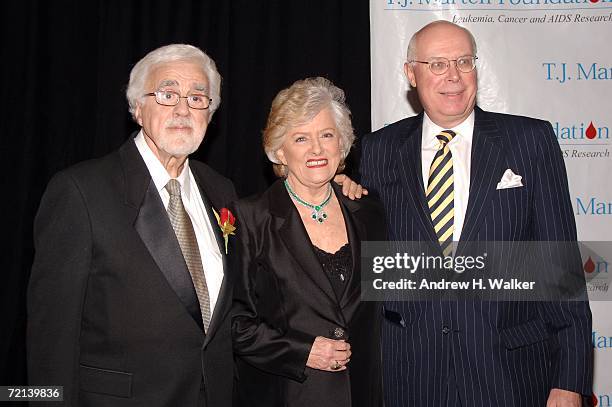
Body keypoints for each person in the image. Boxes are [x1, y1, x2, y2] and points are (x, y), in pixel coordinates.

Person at [27, 45, 363, 407]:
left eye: (198, 98)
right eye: (168, 94)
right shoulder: (81, 191)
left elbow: (235, 307)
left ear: (210, 113)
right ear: (138, 107)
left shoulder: (220, 191)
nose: (183, 108)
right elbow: (50, 340)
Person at [360, 21, 592, 407]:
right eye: (436, 64)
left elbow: (562, 268)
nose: (452, 76)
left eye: (463, 61)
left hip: (511, 375)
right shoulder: (379, 150)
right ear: (410, 73)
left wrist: (570, 380)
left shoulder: (529, 141)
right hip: (412, 375)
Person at [231, 77, 385, 407]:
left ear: (341, 145)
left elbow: (385, 303)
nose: (316, 149)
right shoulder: (250, 218)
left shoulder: (369, 211)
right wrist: (302, 351)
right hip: (290, 395)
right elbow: (235, 324)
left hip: (362, 393)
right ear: (279, 150)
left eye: (326, 135)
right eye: (301, 138)